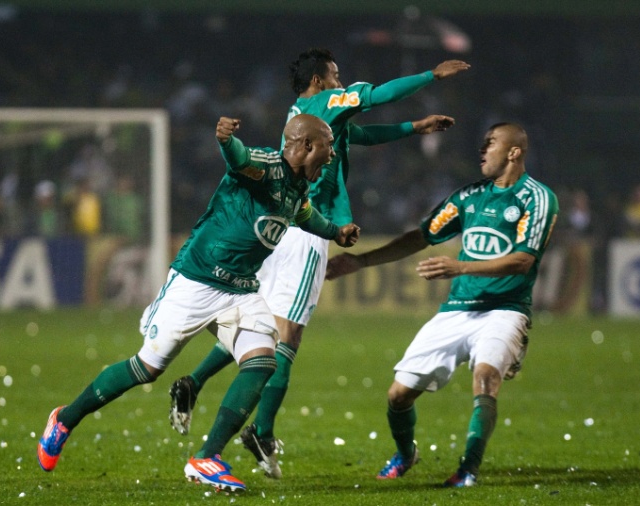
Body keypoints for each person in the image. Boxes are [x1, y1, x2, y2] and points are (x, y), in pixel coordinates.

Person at [167, 47, 469, 479]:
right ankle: (259, 433)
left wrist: (413, 128)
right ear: (317, 79)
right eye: (335, 74)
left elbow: (358, 137)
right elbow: (377, 94)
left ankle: (193, 383)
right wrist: (431, 76)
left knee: (262, 327)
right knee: (286, 338)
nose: (341, 81)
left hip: (279, 223)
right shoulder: (325, 103)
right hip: (309, 228)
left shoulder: (306, 117)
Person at [37, 114, 360, 493]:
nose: (332, 151)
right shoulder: (268, 167)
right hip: (196, 282)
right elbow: (241, 160)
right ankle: (64, 419)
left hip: (240, 288)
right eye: (327, 144)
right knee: (147, 368)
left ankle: (208, 457)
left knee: (262, 361)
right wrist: (226, 141)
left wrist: (336, 231)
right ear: (306, 145)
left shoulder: (296, 191)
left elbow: (306, 216)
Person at [325, 123, 558, 487]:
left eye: (491, 143)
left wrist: (460, 266)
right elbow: (421, 236)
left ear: (514, 152)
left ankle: (467, 471)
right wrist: (362, 262)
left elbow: (523, 260)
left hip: (505, 308)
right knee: (398, 395)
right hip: (457, 310)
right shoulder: (468, 197)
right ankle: (405, 453)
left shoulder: (536, 198)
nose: (482, 150)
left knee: (485, 380)